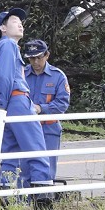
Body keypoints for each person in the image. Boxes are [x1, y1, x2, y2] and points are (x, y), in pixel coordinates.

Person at [0, 8, 54, 209]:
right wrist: (3, 105)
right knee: (36, 147)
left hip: (6, 102)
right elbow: (5, 77)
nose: (20, 23)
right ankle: (43, 202)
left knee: (10, 152)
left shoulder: (0, 47)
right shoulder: (8, 45)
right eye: (14, 21)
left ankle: (8, 203)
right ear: (3, 28)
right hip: (16, 100)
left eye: (20, 21)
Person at [22, 39, 70, 181]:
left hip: (48, 129)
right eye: (31, 58)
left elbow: (62, 104)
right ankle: (25, 200)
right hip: (27, 129)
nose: (35, 62)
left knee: (47, 169)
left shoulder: (58, 76)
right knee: (25, 168)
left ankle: (44, 200)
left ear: (47, 55)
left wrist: (40, 108)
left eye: (39, 57)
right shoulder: (21, 75)